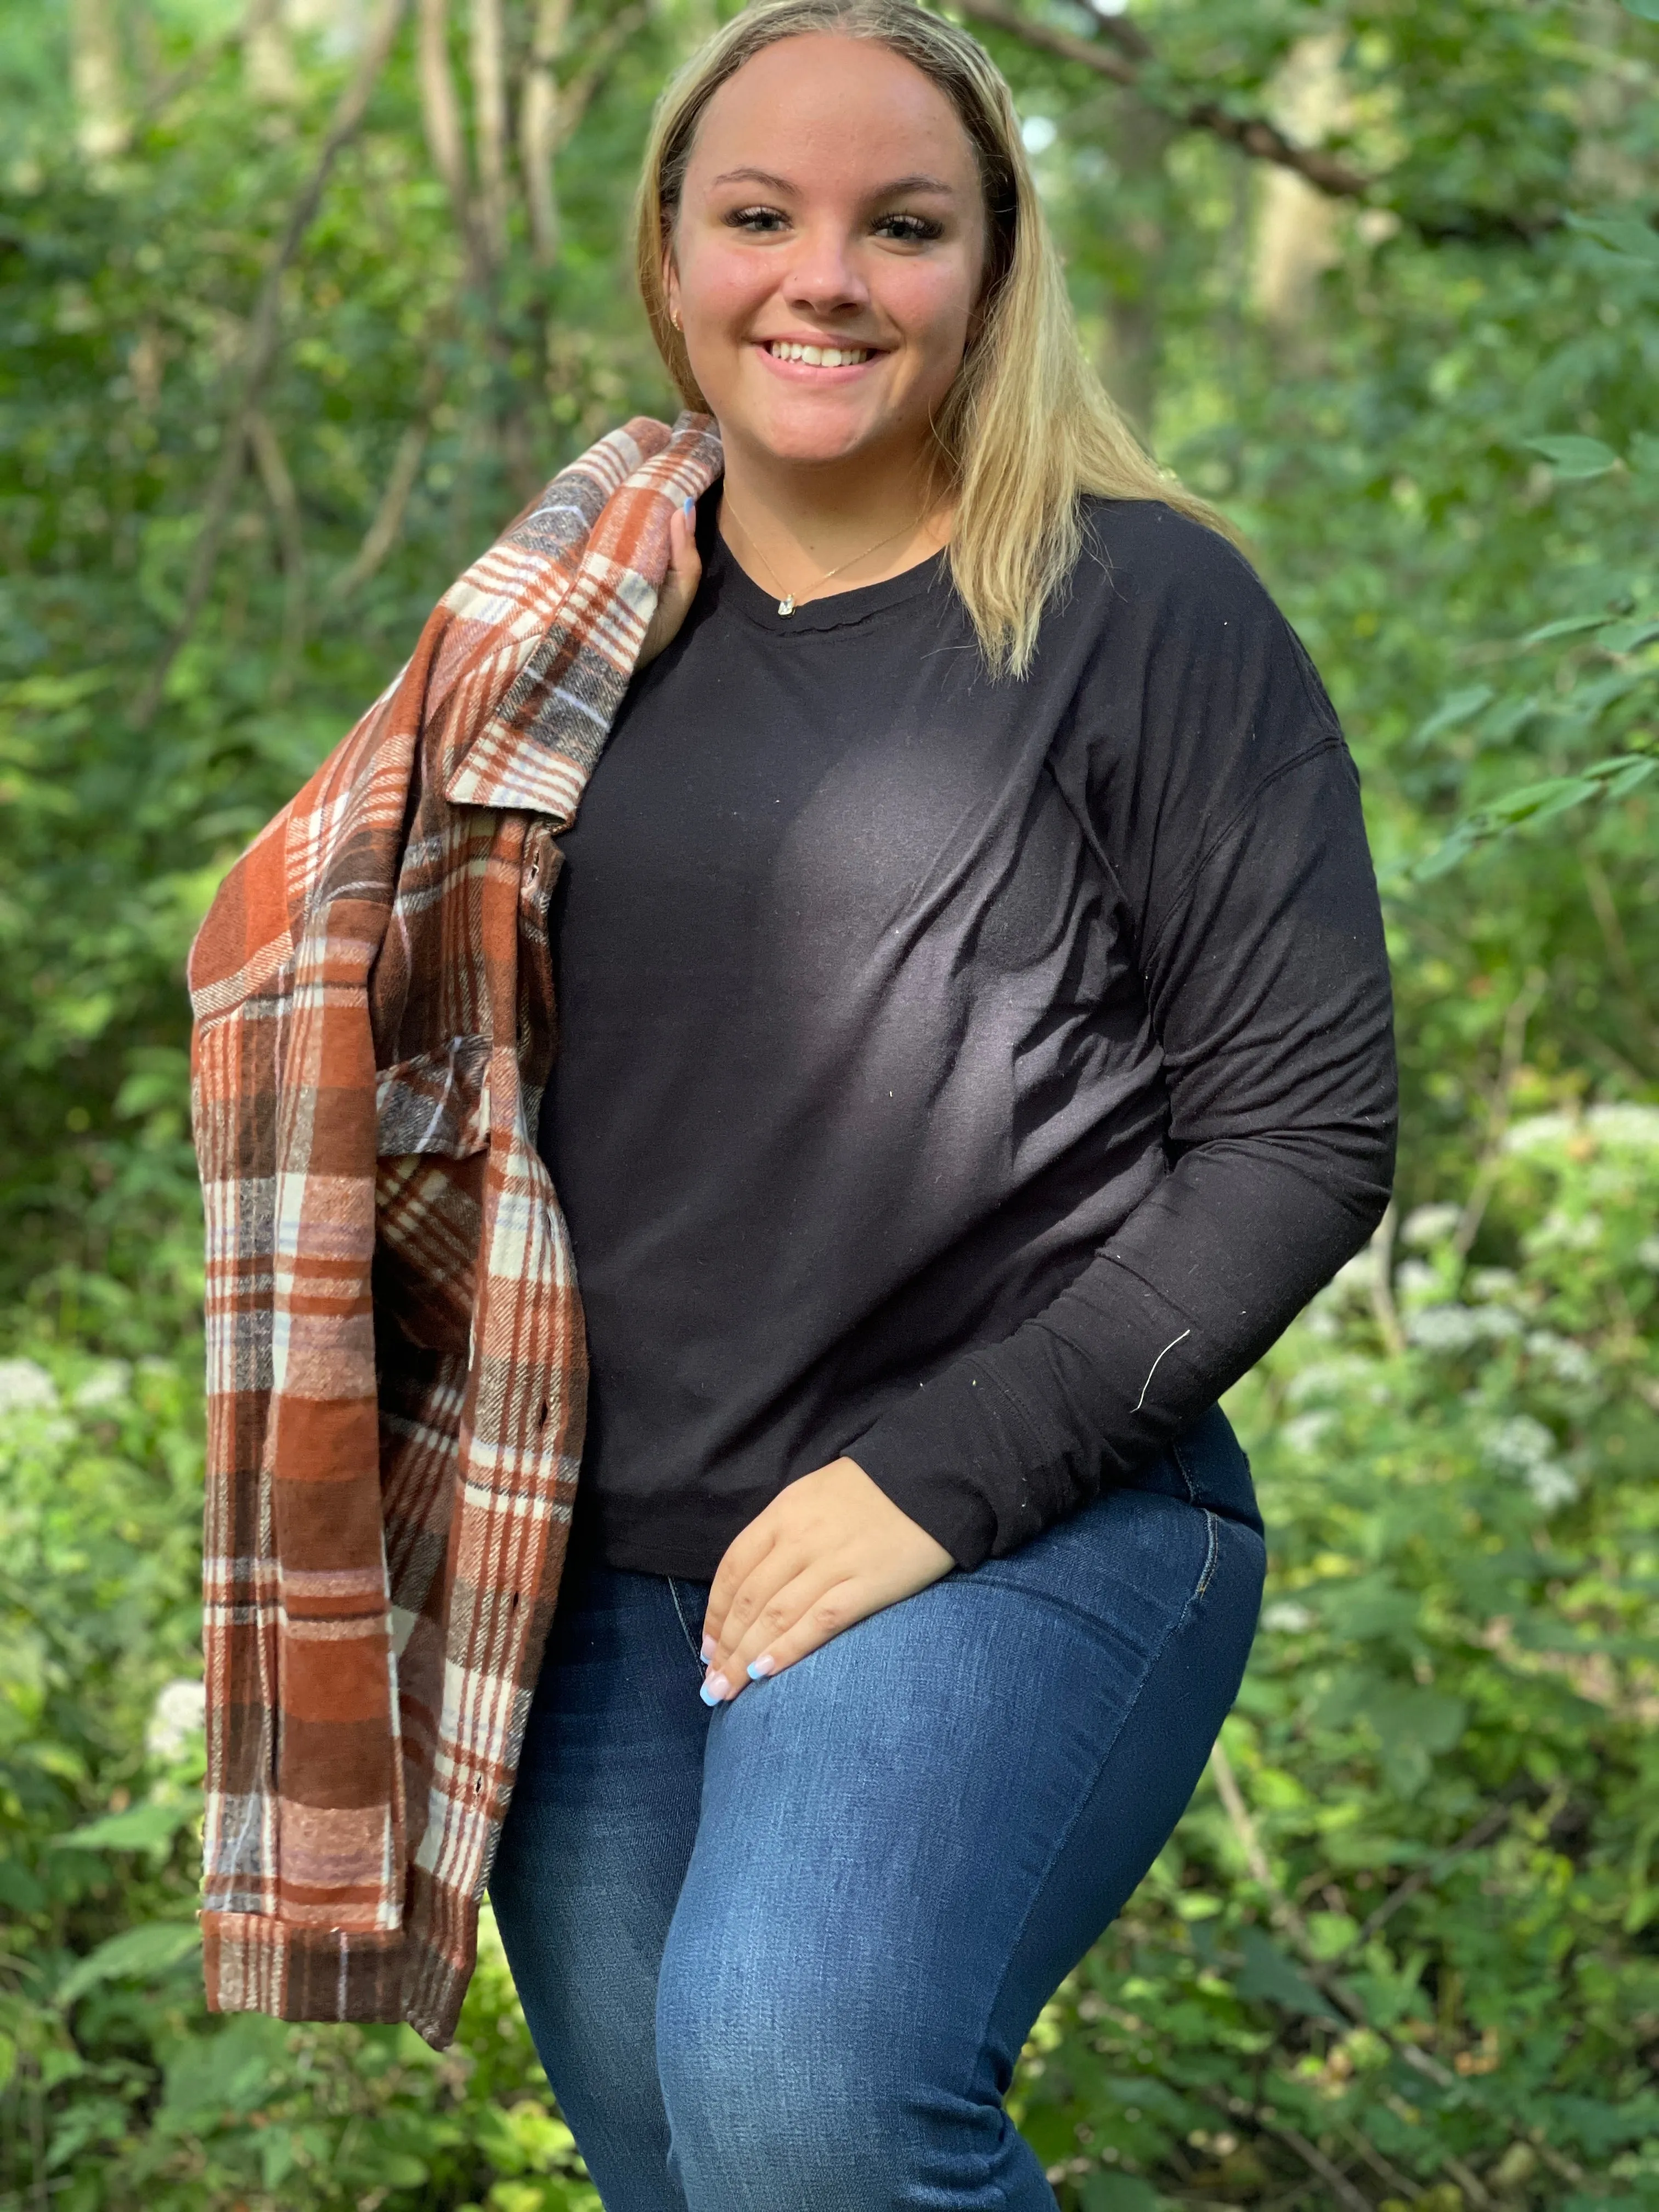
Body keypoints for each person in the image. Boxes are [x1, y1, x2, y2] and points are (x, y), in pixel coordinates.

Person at [186, 1, 1393, 2204]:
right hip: (604, 1569)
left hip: (1018, 1519)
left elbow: (1303, 1137)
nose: (824, 275)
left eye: (901, 225)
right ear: (670, 258)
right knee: (687, 2170)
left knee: (805, 2095)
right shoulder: (563, 629)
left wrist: (931, 1481)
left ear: (992, 274)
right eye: (763, 216)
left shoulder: (1146, 609)